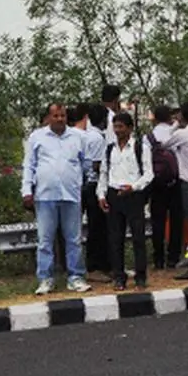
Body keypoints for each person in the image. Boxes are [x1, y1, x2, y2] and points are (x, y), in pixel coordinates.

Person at [22, 102, 91, 295]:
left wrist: (80, 182)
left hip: (71, 195)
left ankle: (75, 277)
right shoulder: (37, 137)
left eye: (62, 116)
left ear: (66, 117)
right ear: (49, 118)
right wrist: (26, 190)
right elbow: (29, 165)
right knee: (45, 240)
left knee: (74, 239)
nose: (60, 119)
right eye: (56, 116)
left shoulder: (78, 137)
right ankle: (45, 279)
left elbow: (85, 163)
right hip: (45, 196)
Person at [98, 112, 154, 290]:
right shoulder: (110, 149)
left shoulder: (140, 147)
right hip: (114, 194)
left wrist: (134, 187)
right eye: (115, 127)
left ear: (130, 128)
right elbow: (104, 173)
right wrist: (101, 195)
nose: (118, 130)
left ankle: (140, 276)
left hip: (133, 195)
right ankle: (119, 277)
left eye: (121, 126)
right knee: (115, 238)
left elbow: (148, 173)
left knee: (138, 237)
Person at [147, 105, 184, 270]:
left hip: (156, 183)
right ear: (169, 117)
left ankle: (158, 259)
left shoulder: (148, 137)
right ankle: (173, 257)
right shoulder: (175, 133)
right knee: (176, 221)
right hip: (175, 182)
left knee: (157, 221)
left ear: (155, 118)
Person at [84, 104, 112, 276]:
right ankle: (97, 265)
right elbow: (96, 165)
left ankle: (100, 264)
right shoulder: (97, 139)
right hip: (96, 185)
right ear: (103, 120)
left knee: (96, 226)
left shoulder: (87, 136)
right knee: (99, 227)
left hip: (90, 185)